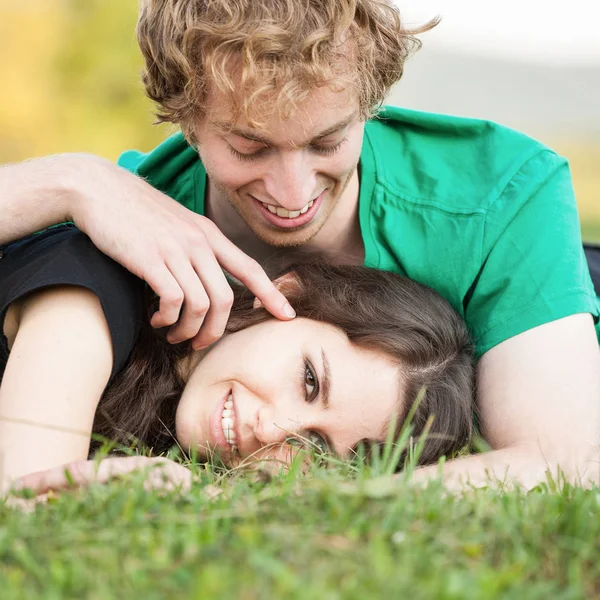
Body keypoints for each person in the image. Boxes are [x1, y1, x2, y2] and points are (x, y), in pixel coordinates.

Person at [0, 0, 598, 491]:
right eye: (249, 146)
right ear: (187, 120)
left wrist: (314, 497)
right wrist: (74, 180)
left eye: (327, 141)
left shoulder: (500, 196)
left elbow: (564, 460)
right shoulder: (127, 228)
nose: (294, 193)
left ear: (369, 108)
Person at [0, 224, 475, 494]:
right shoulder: (92, 301)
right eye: (309, 380)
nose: (273, 431)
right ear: (284, 297)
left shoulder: (168, 415)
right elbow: (21, 507)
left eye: (317, 446)